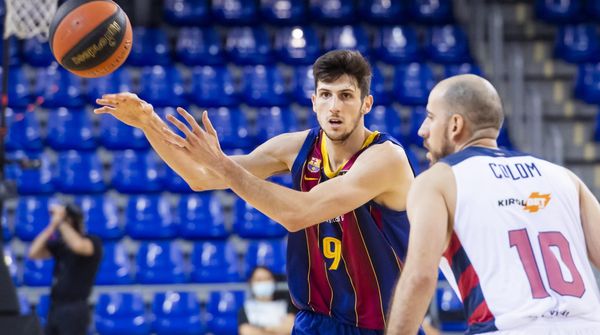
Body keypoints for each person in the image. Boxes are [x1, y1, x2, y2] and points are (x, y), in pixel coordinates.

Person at [95, 50, 420, 334]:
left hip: (383, 325)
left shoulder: (384, 158)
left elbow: (298, 213)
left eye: (346, 95)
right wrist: (148, 122)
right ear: (314, 101)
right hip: (316, 321)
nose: (334, 106)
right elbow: (200, 177)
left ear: (366, 104)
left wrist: (224, 166)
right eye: (325, 94)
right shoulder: (296, 147)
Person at [386, 74, 600, 335]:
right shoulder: (564, 177)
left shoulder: (438, 181)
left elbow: (419, 278)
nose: (422, 129)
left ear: (455, 125)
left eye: (431, 117)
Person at [28, 203, 103, 335]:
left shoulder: (92, 242)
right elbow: (33, 252)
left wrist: (61, 222)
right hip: (56, 306)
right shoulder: (61, 246)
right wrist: (52, 225)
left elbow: (77, 245)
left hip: (75, 308)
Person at [238, 266, 296, 335]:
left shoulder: (286, 305)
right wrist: (277, 330)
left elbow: (290, 329)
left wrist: (262, 329)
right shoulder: (245, 308)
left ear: (273, 281)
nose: (264, 283)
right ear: (251, 283)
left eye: (267, 279)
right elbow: (246, 332)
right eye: (259, 280)